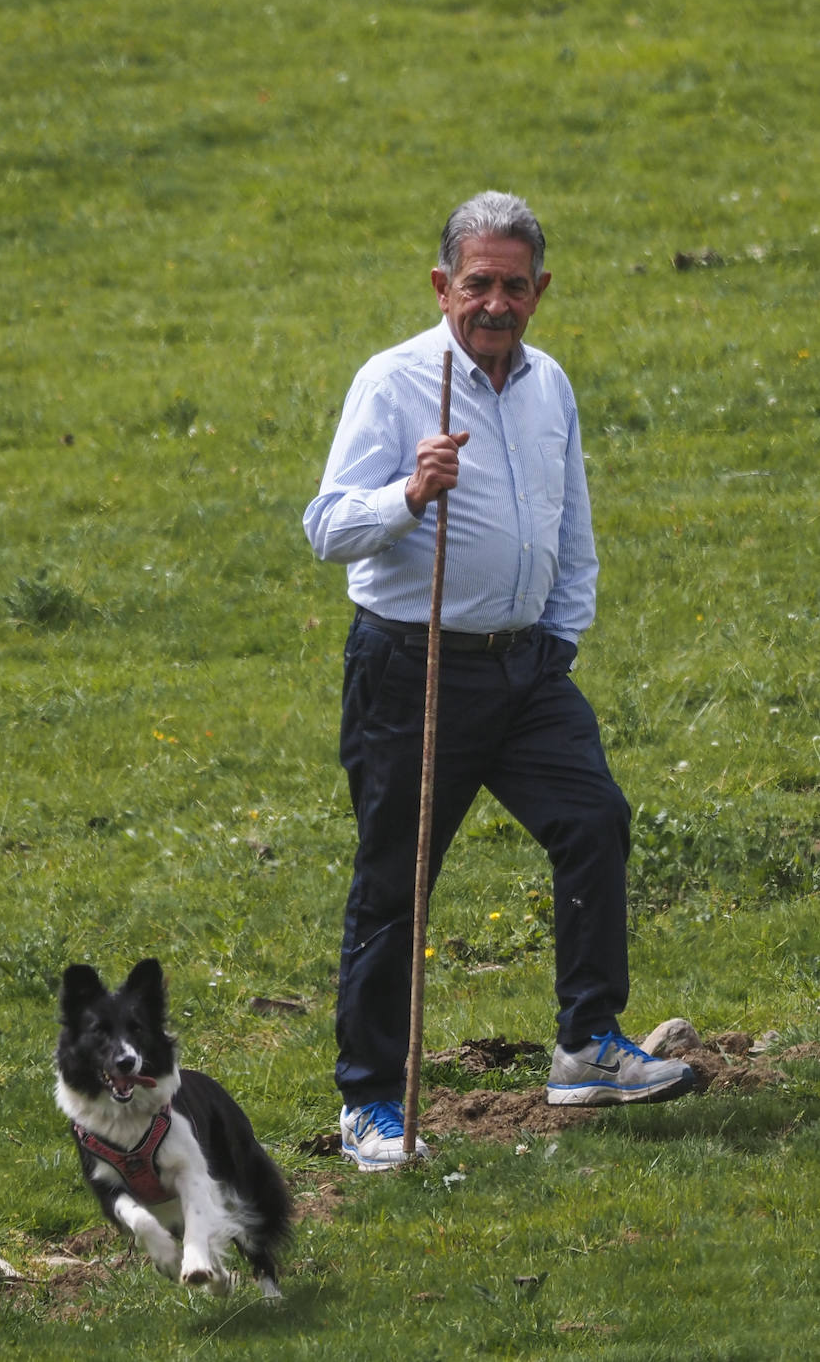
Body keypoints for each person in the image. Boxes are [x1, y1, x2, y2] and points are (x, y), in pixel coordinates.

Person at [303, 191, 694, 1172]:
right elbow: (326, 526)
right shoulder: (395, 384)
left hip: (525, 667)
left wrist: (560, 632)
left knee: (593, 819)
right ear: (442, 285)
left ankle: (584, 1047)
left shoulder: (546, 383)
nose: (493, 302)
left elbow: (568, 518)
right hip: (413, 666)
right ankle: (371, 1104)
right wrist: (407, 493)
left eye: (513, 286)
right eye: (475, 283)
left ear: (539, 291)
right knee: (398, 883)